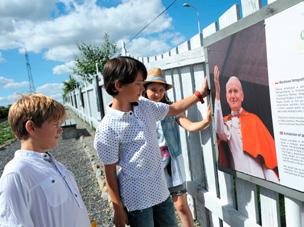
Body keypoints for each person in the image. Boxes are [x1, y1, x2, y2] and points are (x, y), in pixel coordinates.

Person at [93, 56, 209, 227]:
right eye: (138, 84)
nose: (142, 88)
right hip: (137, 200)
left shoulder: (145, 106)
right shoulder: (107, 128)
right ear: (118, 85)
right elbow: (109, 172)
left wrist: (200, 94)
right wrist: (118, 210)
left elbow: (173, 109)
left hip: (161, 192)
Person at [0, 94, 91, 227]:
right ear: (31, 127)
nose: (60, 130)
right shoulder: (16, 174)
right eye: (55, 124)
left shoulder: (50, 162)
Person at [143, 67, 211, 227]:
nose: (158, 93)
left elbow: (189, 125)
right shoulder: (140, 110)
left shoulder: (172, 108)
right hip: (151, 165)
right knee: (156, 210)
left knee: (181, 205)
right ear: (144, 90)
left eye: (161, 90)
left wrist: (205, 122)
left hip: (172, 164)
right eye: (153, 89)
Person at [213, 65, 279, 182]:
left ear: (242, 96)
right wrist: (217, 94)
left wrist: (275, 182)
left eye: (236, 91)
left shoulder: (254, 120)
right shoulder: (225, 122)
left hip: (260, 177)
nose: (233, 96)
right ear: (226, 97)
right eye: (230, 92)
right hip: (241, 180)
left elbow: (267, 158)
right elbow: (219, 131)